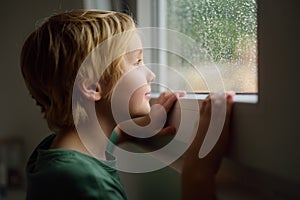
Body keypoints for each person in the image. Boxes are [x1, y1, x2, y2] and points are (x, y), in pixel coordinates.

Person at [20, 9, 234, 200]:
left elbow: (110, 137)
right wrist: (197, 175)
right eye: (137, 62)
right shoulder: (81, 181)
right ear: (93, 87)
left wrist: (134, 129)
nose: (150, 74)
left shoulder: (54, 151)